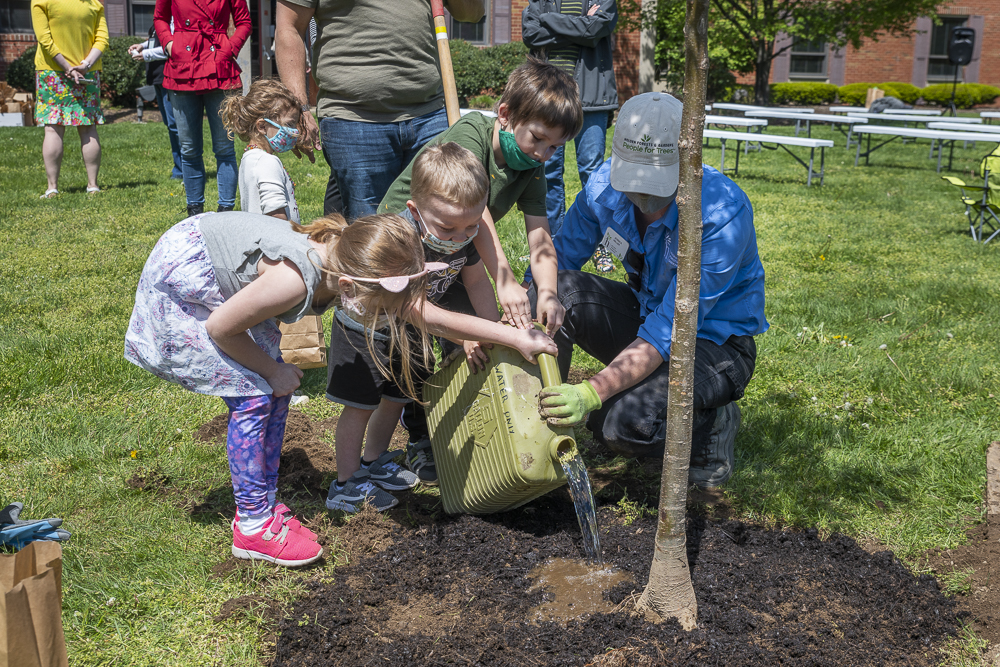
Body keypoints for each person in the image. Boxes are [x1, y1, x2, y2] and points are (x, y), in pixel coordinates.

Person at [124, 211, 447, 565]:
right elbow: (220, 328)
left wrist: (275, 374)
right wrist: (271, 370)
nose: (386, 317)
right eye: (382, 309)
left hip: (223, 286)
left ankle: (265, 501)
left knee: (276, 390)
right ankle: (252, 526)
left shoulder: (338, 266)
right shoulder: (295, 279)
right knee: (254, 398)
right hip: (186, 280)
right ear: (349, 288)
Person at [529, 92, 768, 489]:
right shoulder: (602, 189)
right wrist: (522, 317)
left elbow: (669, 329)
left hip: (715, 344)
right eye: (634, 182)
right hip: (645, 315)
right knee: (560, 291)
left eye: (656, 184)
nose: (644, 199)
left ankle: (710, 423)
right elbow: (561, 256)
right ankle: (540, 424)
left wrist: (593, 392)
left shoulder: (722, 216)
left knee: (620, 426)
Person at [335, 143, 504, 491]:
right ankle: (346, 483)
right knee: (361, 404)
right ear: (415, 209)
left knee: (398, 398)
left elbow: (476, 282)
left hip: (411, 333)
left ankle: (374, 460)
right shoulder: (401, 238)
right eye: (448, 229)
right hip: (366, 326)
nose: (460, 238)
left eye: (472, 226)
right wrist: (466, 336)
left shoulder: (463, 233)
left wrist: (494, 330)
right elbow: (415, 308)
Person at [379, 58, 583, 337]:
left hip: (457, 244)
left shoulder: (532, 165)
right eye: (537, 138)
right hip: (409, 238)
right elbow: (477, 210)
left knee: (469, 336)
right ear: (505, 114)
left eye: (555, 148)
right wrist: (505, 280)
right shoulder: (472, 132)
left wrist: (548, 293)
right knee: (398, 321)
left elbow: (540, 237)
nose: (542, 153)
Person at [274, 0, 485, 218]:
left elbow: (472, 13)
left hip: (430, 113)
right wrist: (300, 107)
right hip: (354, 118)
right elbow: (289, 28)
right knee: (371, 234)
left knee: (443, 222)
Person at [522, 0, 619, 272]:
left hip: (591, 101)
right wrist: (581, 28)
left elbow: (596, 30)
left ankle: (602, 246)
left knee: (594, 175)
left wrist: (549, 20)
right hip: (549, 98)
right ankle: (551, 244)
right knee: (548, 174)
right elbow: (531, 34)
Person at [154, 0, 251, 217]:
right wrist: (170, 44)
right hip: (182, 67)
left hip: (220, 67)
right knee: (188, 149)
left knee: (225, 148)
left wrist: (230, 48)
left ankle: (226, 212)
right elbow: (159, 18)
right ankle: (194, 212)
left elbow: (244, 22)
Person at [30, 0, 109, 198]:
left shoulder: (42, 1)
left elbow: (44, 39)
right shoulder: (94, 4)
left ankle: (52, 188)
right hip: (87, 72)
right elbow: (102, 40)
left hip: (52, 72)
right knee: (88, 127)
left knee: (53, 127)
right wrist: (85, 65)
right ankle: (92, 186)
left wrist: (67, 68)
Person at [220, 79, 302, 222]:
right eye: (289, 124)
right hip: (278, 242)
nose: (295, 131)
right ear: (262, 126)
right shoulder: (267, 162)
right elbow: (276, 215)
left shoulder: (249, 158)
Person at [128, 24, 183, 181]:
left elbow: (173, 48)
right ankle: (179, 168)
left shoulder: (174, 19)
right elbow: (157, 41)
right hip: (158, 79)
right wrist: (142, 45)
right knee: (170, 125)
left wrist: (146, 54)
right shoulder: (159, 20)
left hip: (170, 78)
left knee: (176, 126)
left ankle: (184, 170)